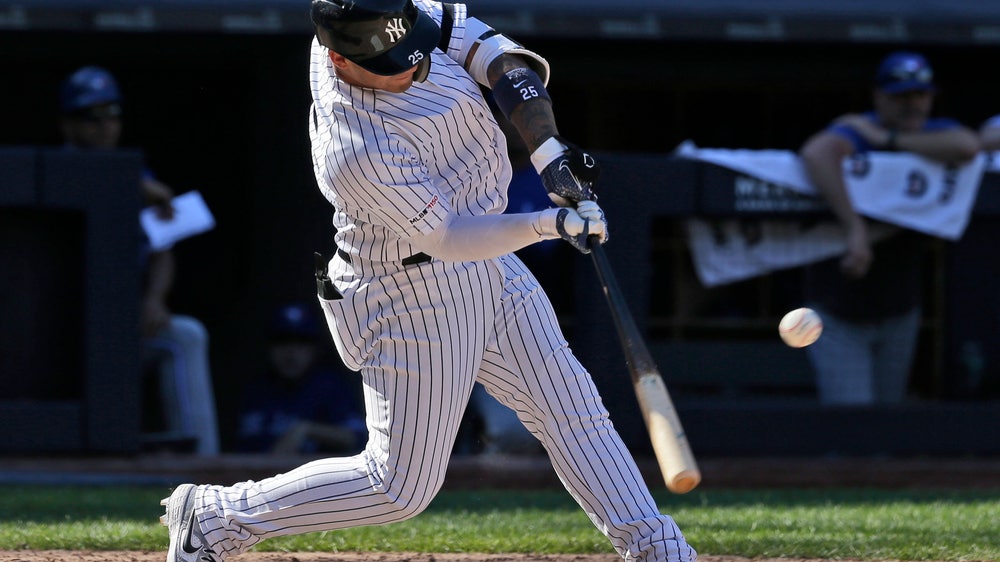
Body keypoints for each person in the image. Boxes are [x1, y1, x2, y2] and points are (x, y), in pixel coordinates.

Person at [159, 2, 696, 562]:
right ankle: (217, 518)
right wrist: (549, 223)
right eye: (392, 63)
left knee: (569, 405)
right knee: (397, 487)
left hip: (489, 260)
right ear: (340, 60)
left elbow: (502, 61)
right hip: (411, 293)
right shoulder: (354, 146)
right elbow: (448, 237)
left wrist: (549, 154)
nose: (413, 67)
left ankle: (657, 548)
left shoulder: (389, 16)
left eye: (413, 49)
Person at [798, 51, 980, 406]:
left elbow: (967, 145)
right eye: (900, 96)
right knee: (854, 426)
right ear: (879, 96)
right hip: (839, 308)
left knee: (887, 422)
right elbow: (817, 152)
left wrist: (890, 142)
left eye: (919, 95)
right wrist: (855, 229)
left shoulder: (929, 133)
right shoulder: (859, 129)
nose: (911, 105)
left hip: (900, 308)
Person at [60, 66, 221, 455]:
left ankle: (202, 461)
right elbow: (82, 180)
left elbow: (162, 248)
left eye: (112, 113)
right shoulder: (57, 167)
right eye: (92, 117)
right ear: (69, 125)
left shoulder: (137, 173)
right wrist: (134, 184)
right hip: (61, 326)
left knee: (186, 335)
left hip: (120, 322)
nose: (105, 126)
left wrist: (154, 299)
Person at [236, 302, 367, 455]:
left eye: (302, 342)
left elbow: (357, 437)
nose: (291, 352)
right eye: (282, 341)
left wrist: (307, 430)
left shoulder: (330, 388)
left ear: (316, 349)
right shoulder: (256, 391)